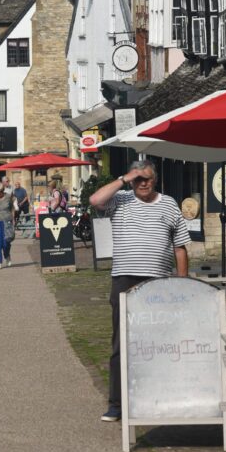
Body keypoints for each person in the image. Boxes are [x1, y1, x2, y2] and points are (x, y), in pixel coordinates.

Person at [90, 159, 190, 423]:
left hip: (158, 282)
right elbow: (95, 200)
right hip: (124, 279)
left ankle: (156, 398)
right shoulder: (121, 199)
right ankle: (117, 403)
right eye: (138, 179)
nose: (143, 183)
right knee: (121, 342)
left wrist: (183, 284)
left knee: (159, 342)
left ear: (155, 179)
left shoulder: (169, 204)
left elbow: (180, 247)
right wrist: (125, 178)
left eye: (147, 178)